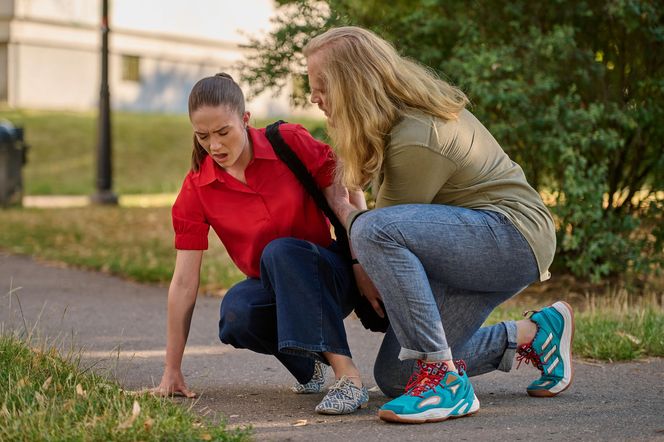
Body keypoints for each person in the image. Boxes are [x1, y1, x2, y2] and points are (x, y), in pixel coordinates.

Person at [303, 26, 574, 424]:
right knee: (396, 377)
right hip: (472, 245)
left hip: (510, 237)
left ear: (352, 83)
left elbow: (381, 233)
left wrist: (345, 212)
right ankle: (534, 336)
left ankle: (444, 383)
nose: (313, 96)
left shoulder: (417, 134)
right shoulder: (393, 124)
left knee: (371, 230)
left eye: (321, 84)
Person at [151, 73, 369, 415]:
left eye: (224, 132)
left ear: (245, 119)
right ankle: (307, 365)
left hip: (330, 274)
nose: (216, 145)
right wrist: (172, 369)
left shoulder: (287, 141)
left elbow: (347, 188)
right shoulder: (197, 188)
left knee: (281, 251)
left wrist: (363, 263)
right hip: (276, 289)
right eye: (203, 136)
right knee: (237, 314)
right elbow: (183, 281)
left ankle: (349, 379)